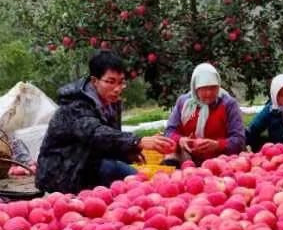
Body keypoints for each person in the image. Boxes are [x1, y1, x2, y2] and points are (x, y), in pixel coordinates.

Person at [36, 51, 174, 193]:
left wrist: (126, 153)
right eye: (110, 82)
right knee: (120, 175)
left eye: (121, 82)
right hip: (60, 174)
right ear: (94, 81)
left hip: (86, 165)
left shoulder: (110, 103)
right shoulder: (76, 104)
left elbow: (108, 142)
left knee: (136, 181)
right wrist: (137, 141)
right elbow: (95, 133)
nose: (117, 89)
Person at [163, 63, 245, 165]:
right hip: (188, 159)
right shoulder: (184, 103)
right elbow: (169, 131)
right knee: (170, 157)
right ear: (195, 88)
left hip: (221, 161)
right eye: (204, 88)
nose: (209, 93)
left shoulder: (228, 104)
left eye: (213, 88)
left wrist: (218, 145)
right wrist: (180, 140)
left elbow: (239, 140)